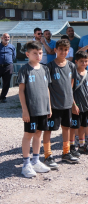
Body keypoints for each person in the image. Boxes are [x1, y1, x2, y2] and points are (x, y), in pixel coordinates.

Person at [18, 41, 52, 177]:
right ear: (28, 54)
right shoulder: (24, 70)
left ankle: (36, 160)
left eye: (40, 53)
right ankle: (26, 164)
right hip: (31, 110)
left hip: (43, 109)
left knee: (39, 134)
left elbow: (47, 89)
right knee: (28, 135)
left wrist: (49, 106)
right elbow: (21, 91)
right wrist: (25, 110)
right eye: (35, 53)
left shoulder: (45, 69)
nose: (38, 56)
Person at [44, 39, 79, 167]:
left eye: (66, 49)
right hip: (54, 105)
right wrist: (48, 106)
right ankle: (47, 155)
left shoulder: (72, 66)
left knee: (66, 128)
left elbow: (71, 86)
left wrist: (73, 103)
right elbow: (46, 87)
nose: (63, 52)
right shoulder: (49, 67)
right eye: (61, 49)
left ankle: (66, 153)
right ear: (55, 50)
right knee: (49, 129)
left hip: (67, 104)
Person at [70, 51, 88, 156]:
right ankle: (72, 147)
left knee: (83, 126)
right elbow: (70, 90)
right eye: (81, 61)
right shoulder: (73, 74)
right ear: (76, 61)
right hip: (76, 106)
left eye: (86, 61)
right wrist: (73, 104)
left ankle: (82, 146)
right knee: (73, 127)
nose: (84, 63)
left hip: (86, 105)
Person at [0, 33, 16, 103]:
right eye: (5, 37)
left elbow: (14, 56)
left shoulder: (12, 47)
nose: (7, 38)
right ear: (2, 38)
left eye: (8, 37)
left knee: (6, 83)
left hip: (8, 67)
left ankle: (3, 97)